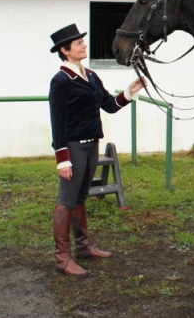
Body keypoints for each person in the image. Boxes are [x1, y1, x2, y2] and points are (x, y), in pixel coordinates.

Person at [48, 23, 145, 275]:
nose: (84, 45)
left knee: (80, 198)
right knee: (66, 201)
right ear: (65, 50)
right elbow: (57, 122)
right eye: (78, 43)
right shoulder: (61, 81)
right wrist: (62, 159)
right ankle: (62, 259)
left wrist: (129, 92)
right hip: (72, 148)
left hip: (92, 145)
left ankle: (84, 247)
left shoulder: (90, 76)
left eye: (82, 41)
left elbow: (109, 105)